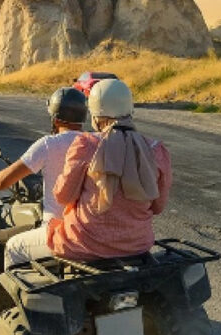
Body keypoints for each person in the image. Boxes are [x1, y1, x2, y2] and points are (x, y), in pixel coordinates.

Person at [47, 79, 173, 261]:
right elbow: (158, 206)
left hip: (82, 245)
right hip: (136, 246)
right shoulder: (156, 150)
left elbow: (63, 196)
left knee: (13, 248)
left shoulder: (86, 145)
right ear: (130, 110)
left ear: (95, 116)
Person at [0, 87, 88, 277]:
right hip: (91, 228)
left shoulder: (48, 144)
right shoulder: (95, 141)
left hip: (59, 231)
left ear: (55, 117)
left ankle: (6, 304)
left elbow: (2, 181)